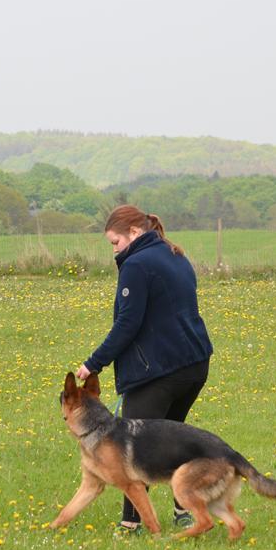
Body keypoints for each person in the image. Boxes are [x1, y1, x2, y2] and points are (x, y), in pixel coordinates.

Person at [76, 204, 213, 533]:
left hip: (159, 371)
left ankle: (131, 523)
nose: (114, 250)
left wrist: (93, 363)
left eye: (115, 242)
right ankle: (184, 510)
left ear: (134, 234)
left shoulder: (137, 265)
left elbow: (127, 324)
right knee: (171, 438)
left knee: (132, 449)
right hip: (194, 364)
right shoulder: (174, 253)